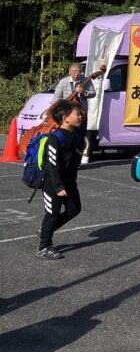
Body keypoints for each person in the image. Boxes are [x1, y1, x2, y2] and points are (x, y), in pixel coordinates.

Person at [36, 100, 87, 260]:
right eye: (76, 114)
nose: (80, 116)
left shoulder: (74, 134)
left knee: (74, 209)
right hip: (53, 183)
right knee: (52, 213)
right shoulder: (55, 138)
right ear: (65, 118)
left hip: (70, 181)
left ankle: (45, 230)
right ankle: (44, 247)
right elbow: (52, 165)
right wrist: (58, 187)